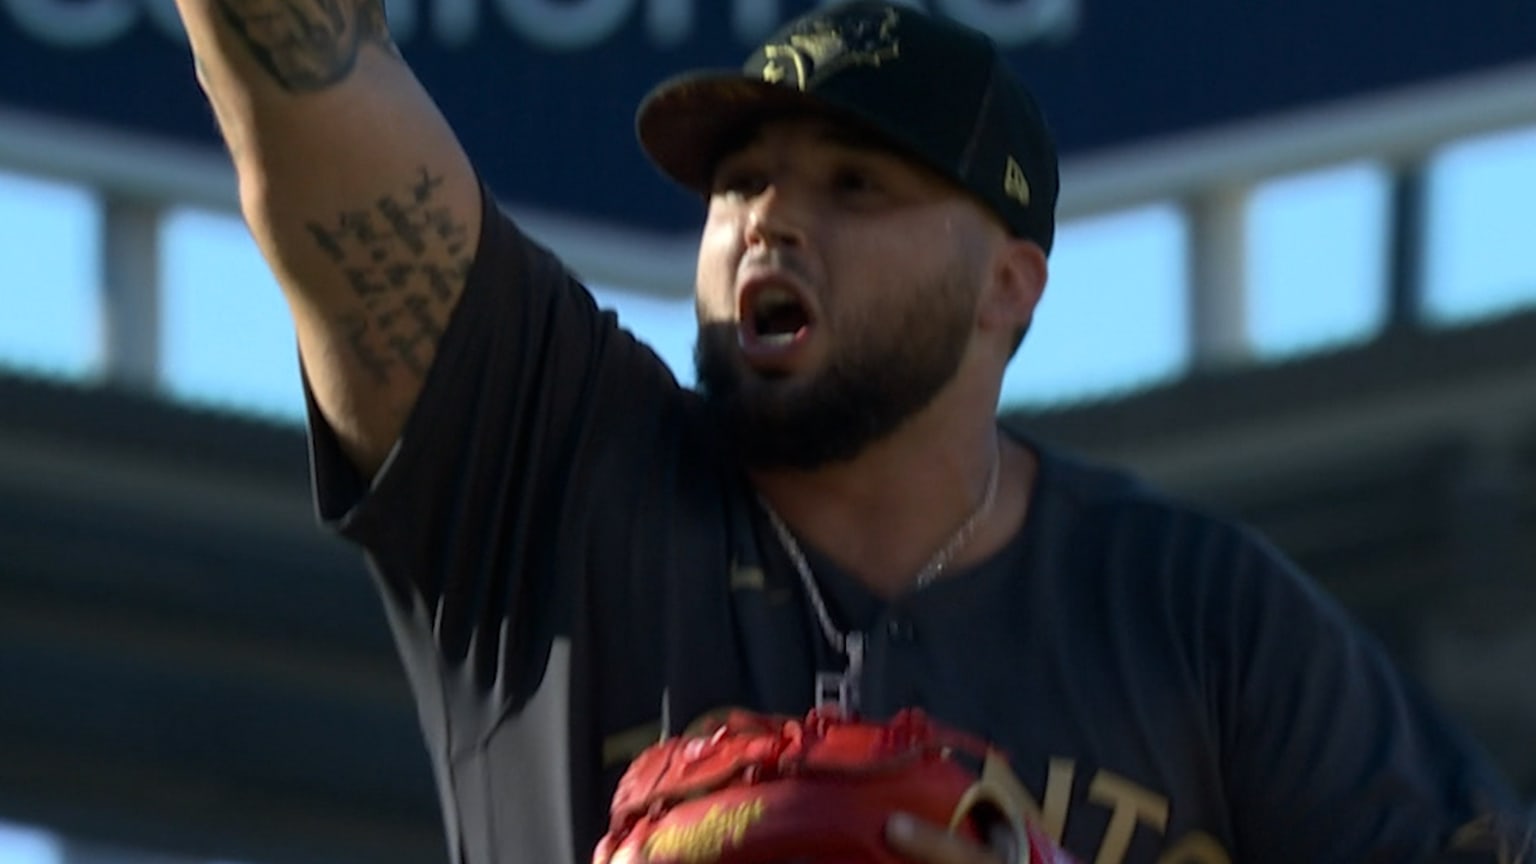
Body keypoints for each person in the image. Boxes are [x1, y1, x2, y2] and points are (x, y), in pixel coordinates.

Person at [170, 0, 1531, 861]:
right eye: (740, 180)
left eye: (856, 184)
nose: (768, 214)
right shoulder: (558, 473)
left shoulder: (1195, 614)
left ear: (1011, 286)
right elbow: (312, 95)